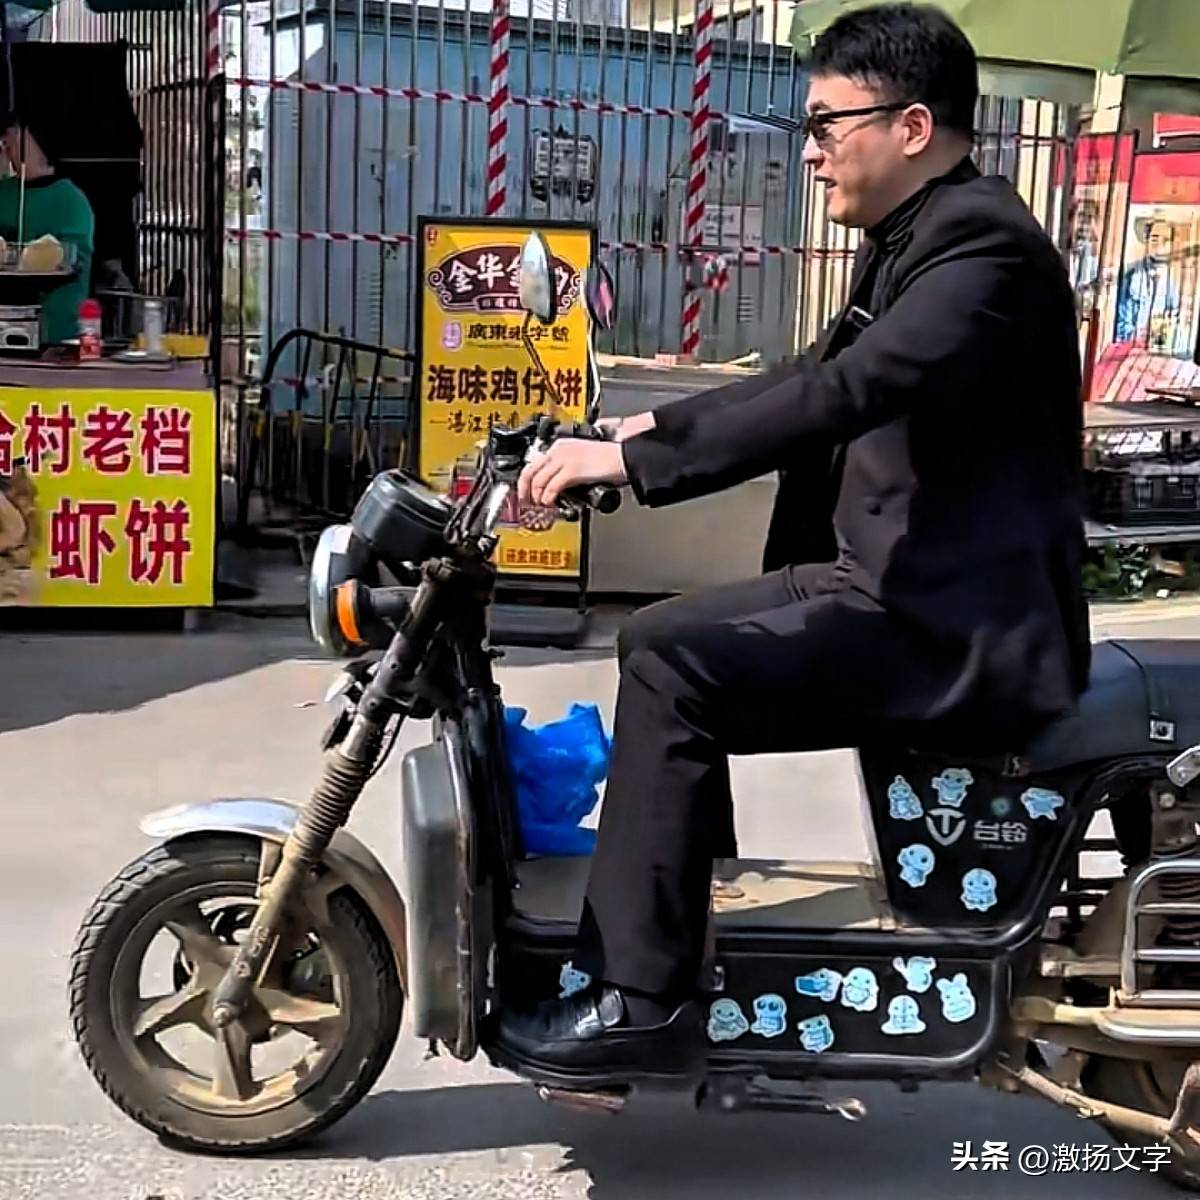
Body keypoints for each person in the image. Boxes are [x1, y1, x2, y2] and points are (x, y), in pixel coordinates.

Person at [496, 2, 1091, 1078]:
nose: (808, 151)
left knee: (673, 664)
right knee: (659, 642)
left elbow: (851, 391)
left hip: (956, 625)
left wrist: (634, 469)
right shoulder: (924, 234)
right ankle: (690, 930)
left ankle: (643, 998)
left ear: (911, 126)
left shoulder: (984, 252)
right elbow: (811, 374)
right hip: (902, 586)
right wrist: (640, 430)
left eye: (823, 125)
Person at [0, 114, 95, 346]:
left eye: (16, 134)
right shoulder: (4, 192)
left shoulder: (70, 200)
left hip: (56, 333)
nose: (7, 142)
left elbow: (70, 258)